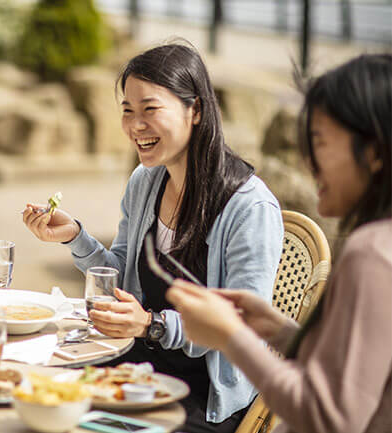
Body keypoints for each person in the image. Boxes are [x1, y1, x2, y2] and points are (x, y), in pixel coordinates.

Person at [22, 43, 284, 432]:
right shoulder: (146, 181)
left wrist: (152, 325)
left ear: (195, 110)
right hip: (140, 369)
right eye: (127, 110)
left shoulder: (249, 208)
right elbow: (120, 282)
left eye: (150, 109)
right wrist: (76, 238)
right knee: (36, 396)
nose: (135, 125)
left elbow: (239, 328)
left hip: (206, 395)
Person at [167, 54, 391, 433]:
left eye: (318, 142)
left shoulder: (371, 253)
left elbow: (329, 418)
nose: (306, 161)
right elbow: (361, 376)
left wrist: (232, 338)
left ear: (373, 152)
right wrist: (278, 330)